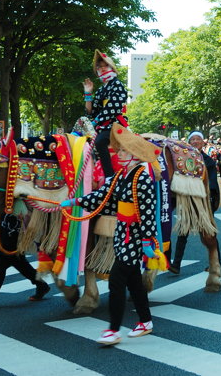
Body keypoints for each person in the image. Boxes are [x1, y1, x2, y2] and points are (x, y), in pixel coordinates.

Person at [64, 129, 163, 345]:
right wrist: (74, 202)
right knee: (134, 280)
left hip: (134, 237)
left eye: (124, 151)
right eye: (119, 150)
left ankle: (113, 329)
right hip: (122, 233)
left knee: (117, 281)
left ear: (134, 156)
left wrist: (147, 241)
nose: (119, 153)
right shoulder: (119, 176)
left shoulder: (143, 178)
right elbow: (102, 196)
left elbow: (147, 213)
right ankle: (145, 321)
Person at [0, 198, 50, 311]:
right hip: (6, 211)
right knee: (18, 261)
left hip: (16, 211)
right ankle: (41, 285)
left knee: (3, 258)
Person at [169, 132, 221, 274]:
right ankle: (176, 264)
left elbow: (211, 182)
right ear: (188, 142)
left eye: (198, 139)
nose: (195, 141)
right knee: (182, 230)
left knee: (209, 233)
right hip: (187, 200)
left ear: (203, 142)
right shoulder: (182, 158)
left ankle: (217, 264)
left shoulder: (208, 160)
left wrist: (209, 199)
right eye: (192, 139)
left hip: (202, 201)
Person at [82, 50, 129, 179]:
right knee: (76, 136)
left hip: (115, 125)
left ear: (111, 68)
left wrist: (95, 122)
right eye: (99, 67)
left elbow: (112, 108)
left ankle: (109, 177)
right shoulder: (101, 90)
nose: (102, 69)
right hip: (101, 126)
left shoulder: (118, 85)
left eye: (104, 66)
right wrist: (88, 94)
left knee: (100, 142)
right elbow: (91, 112)